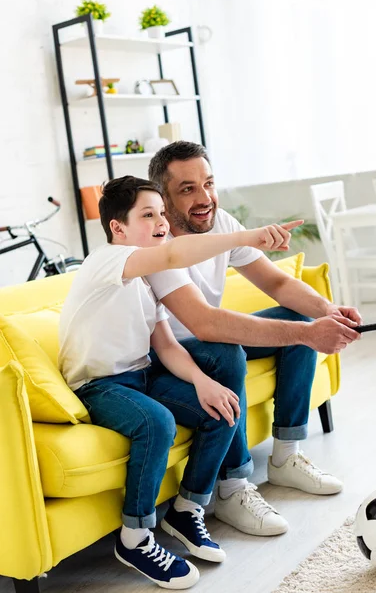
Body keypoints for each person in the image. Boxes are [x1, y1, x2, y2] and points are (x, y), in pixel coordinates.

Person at [58, 176, 294, 590]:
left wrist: (204, 383)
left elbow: (166, 346)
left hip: (143, 374)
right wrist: (251, 236)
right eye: (148, 215)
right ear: (118, 227)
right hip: (98, 385)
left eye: (162, 214)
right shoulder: (109, 259)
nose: (161, 222)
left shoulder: (147, 280)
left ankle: (187, 509)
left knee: (221, 409)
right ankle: (134, 537)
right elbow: (173, 254)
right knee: (158, 423)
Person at [146, 141, 362, 532]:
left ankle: (285, 457)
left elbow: (277, 282)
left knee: (296, 315)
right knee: (230, 348)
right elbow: (205, 324)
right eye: (188, 189)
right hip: (169, 353)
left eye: (208, 183)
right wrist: (310, 333)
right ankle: (232, 487)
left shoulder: (220, 222)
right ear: (163, 198)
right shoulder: (155, 244)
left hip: (208, 340)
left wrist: (328, 312)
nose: (204, 197)